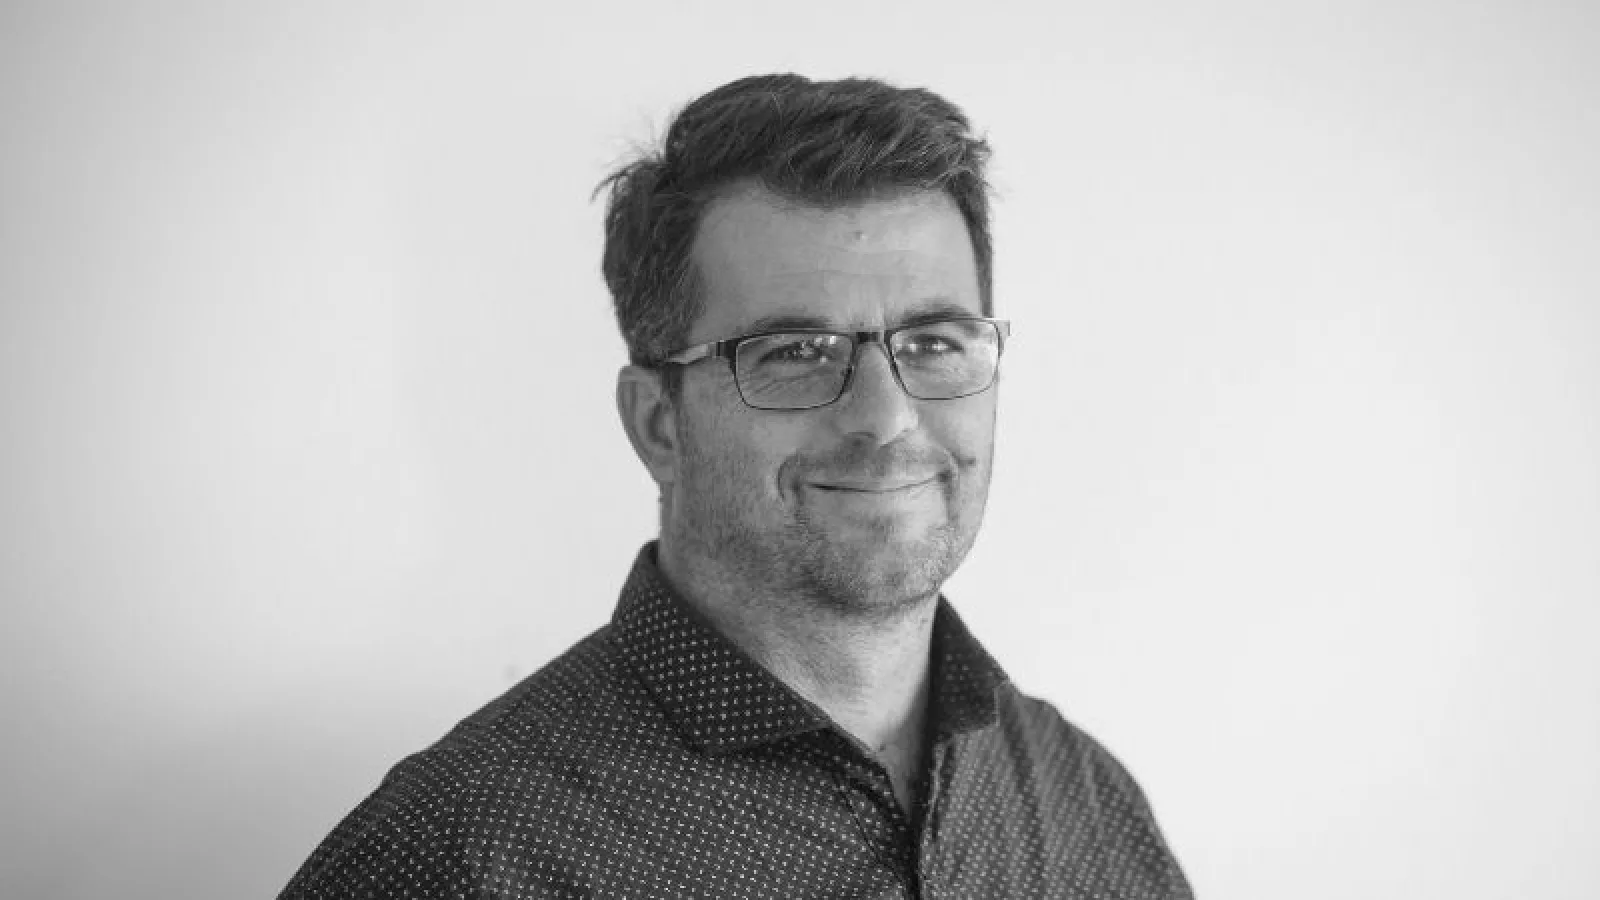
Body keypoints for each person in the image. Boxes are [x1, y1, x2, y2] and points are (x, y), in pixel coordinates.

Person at [280, 73, 1192, 899]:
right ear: (658, 424)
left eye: (933, 343)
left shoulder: (1088, 809)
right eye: (794, 352)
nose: (886, 417)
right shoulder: (460, 856)